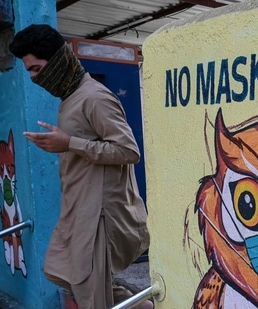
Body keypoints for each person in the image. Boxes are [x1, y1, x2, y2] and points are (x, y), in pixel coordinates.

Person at [9, 24, 153, 309]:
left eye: (36, 69)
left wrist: (69, 143)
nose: (34, 78)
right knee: (58, 270)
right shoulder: (70, 99)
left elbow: (128, 151)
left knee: (92, 297)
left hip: (99, 215)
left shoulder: (95, 98)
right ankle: (139, 306)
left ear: (59, 60)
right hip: (78, 211)